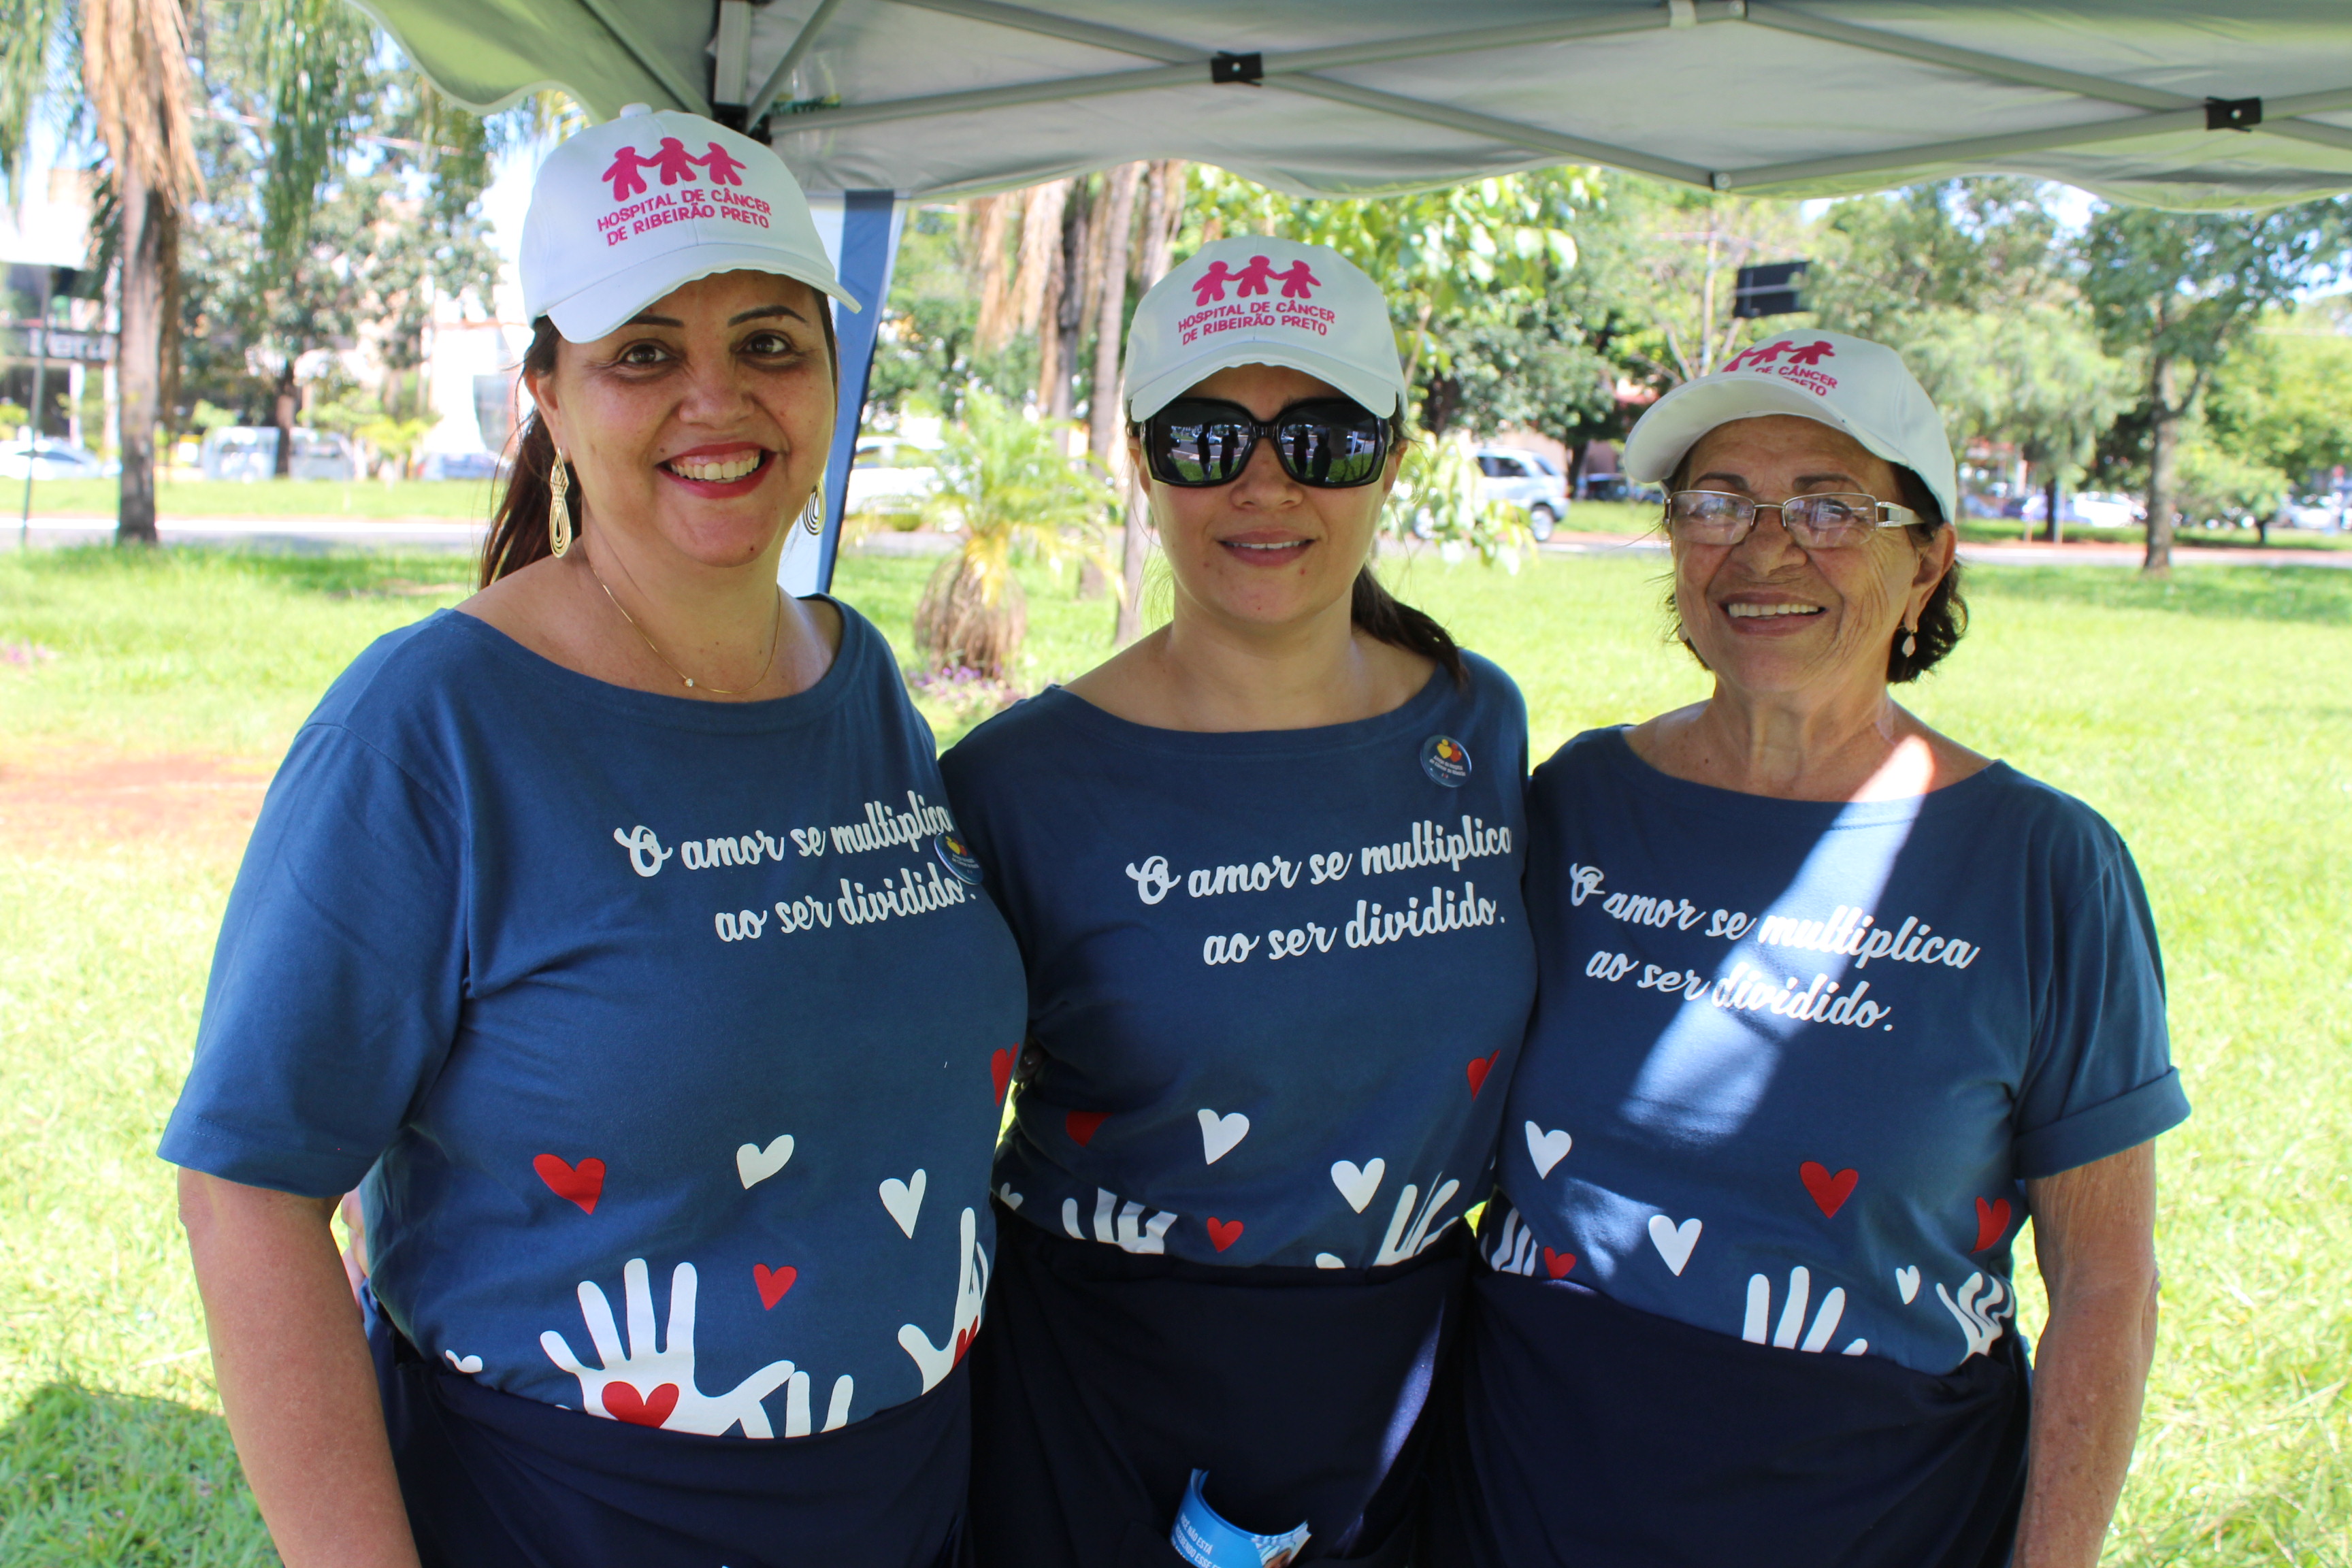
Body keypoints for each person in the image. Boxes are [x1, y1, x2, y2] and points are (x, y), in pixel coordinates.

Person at [159, 106, 1027, 1568]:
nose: (719, 397)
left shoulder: (860, 680)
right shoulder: (432, 727)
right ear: (549, 394)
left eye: (768, 341)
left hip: (907, 1493)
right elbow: (248, 1187)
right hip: (568, 1512)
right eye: (644, 352)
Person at [1426, 331, 2190, 1568]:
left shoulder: (2045, 865)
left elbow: (2106, 1286)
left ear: (1929, 558)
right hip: (1531, 1485)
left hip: (1882, 1505)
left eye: (1831, 507)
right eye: (1717, 502)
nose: (1765, 548)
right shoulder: (1576, 800)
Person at [942, 238, 1538, 1567]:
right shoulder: (1014, 783)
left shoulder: (1475, 722)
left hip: (1404, 1377)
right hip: (1102, 1375)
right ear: (1144, 458)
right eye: (1210, 439)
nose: (1266, 483)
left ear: (1392, 453)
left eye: (1321, 437)